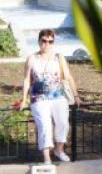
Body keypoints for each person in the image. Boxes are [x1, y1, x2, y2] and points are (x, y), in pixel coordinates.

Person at [20, 28, 79, 164]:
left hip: (58, 96)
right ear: (39, 41)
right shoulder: (32, 58)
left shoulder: (58, 57)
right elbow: (27, 80)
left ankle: (59, 149)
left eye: (50, 41)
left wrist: (76, 96)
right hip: (39, 98)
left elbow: (68, 76)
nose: (47, 44)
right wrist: (24, 100)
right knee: (45, 126)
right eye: (44, 41)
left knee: (63, 122)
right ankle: (47, 157)